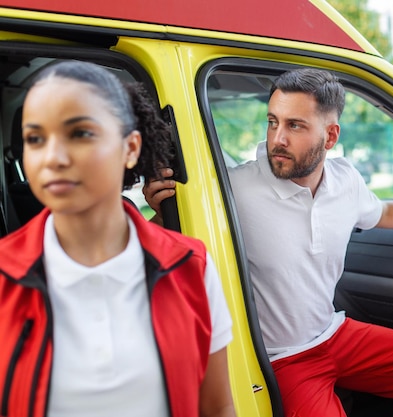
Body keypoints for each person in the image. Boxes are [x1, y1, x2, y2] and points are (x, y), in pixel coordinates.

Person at [144, 67, 393, 416]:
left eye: (294, 125)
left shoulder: (345, 180)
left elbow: (385, 212)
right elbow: (178, 240)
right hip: (285, 358)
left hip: (334, 332)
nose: (277, 139)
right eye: (273, 122)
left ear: (330, 137)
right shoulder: (233, 189)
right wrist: (162, 213)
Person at [0, 60, 236, 417]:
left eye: (79, 133)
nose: (53, 157)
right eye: (35, 139)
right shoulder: (4, 274)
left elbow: (217, 408)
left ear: (131, 147)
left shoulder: (191, 266)